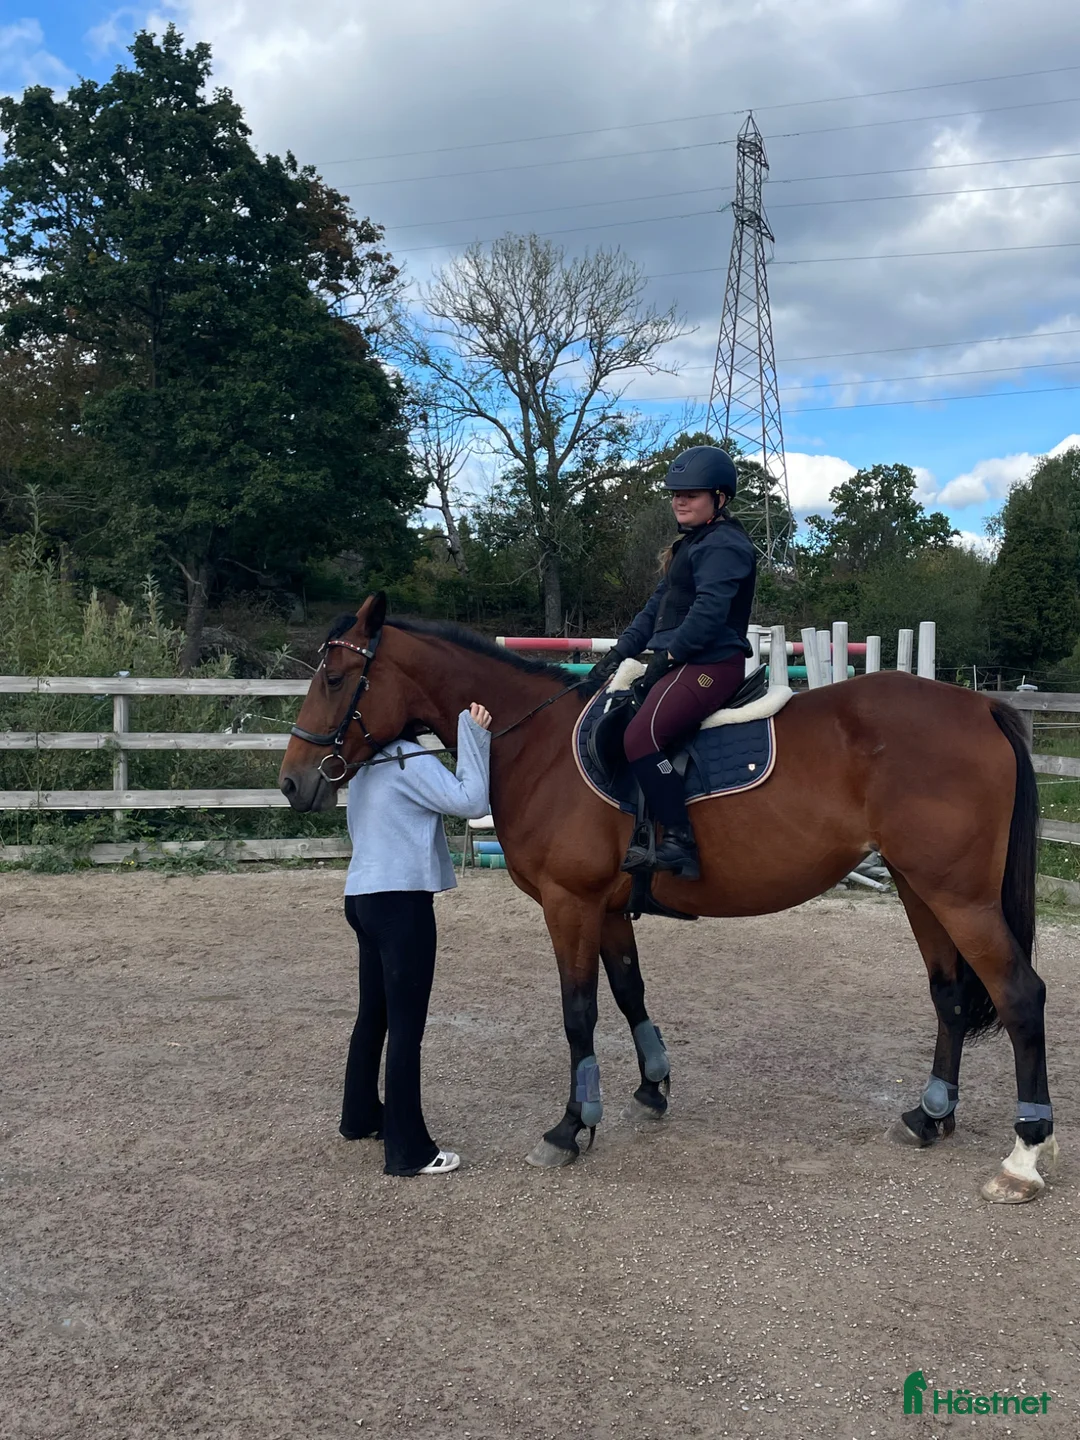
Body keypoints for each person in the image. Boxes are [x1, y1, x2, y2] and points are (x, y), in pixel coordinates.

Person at [339, 702, 492, 1176]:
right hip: (401, 902)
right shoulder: (410, 759)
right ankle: (409, 1150)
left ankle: (360, 1115)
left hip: (362, 897)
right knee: (407, 1027)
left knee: (375, 1015)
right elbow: (472, 802)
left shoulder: (369, 764)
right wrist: (472, 734)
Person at [589, 446, 757, 879]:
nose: (680, 501)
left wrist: (667, 657)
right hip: (681, 661)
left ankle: (681, 840)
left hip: (710, 664)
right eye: (676, 494)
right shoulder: (690, 546)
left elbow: (708, 614)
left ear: (720, 498)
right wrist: (619, 653)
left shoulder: (725, 545)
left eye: (692, 494)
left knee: (641, 738)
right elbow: (654, 611)